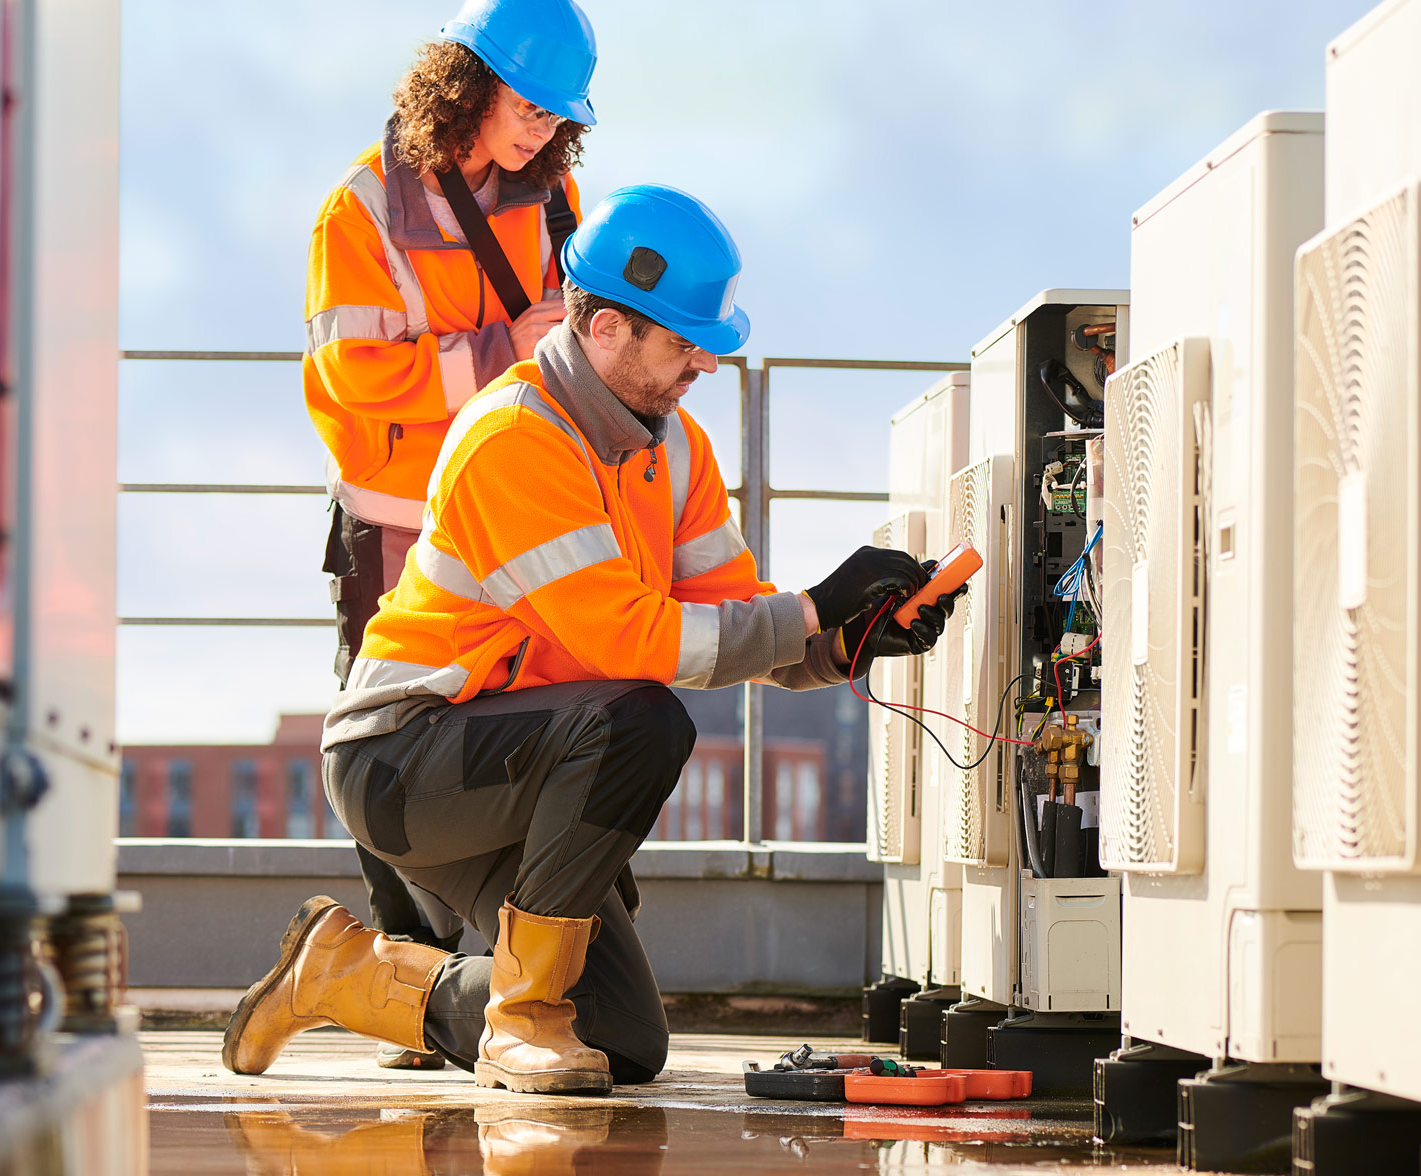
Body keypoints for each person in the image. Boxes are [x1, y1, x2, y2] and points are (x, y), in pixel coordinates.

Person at [228, 184, 953, 1095]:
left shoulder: (673, 444)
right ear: (607, 328)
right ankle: (521, 1023)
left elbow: (729, 609)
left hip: (526, 763)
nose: (705, 365)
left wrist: (846, 641)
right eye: (685, 343)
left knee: (620, 1043)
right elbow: (629, 638)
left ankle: (346, 974)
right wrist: (810, 609)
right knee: (646, 720)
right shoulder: (512, 439)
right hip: (407, 760)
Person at [302, 0, 598, 1068]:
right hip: (397, 524)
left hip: (510, 515)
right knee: (384, 744)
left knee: (506, 727)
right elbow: (353, 386)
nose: (539, 129)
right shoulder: (361, 210)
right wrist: (497, 349)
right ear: (466, 83)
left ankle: (465, 980)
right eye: (527, 105)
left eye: (557, 115)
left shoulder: (555, 193)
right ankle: (404, 975)